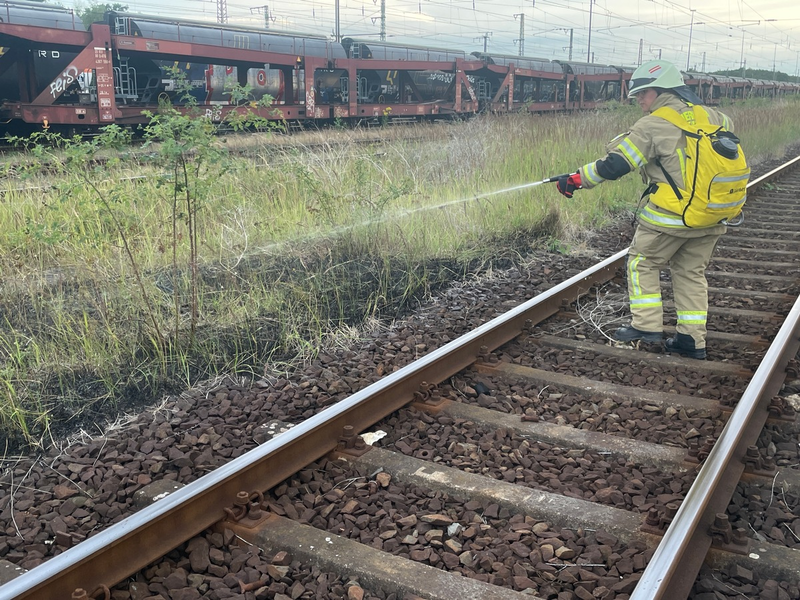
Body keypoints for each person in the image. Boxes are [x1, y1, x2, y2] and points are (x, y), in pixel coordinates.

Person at [555, 59, 745, 360]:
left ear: (663, 91)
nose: (639, 100)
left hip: (671, 215)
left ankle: (646, 327)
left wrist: (577, 179)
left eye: (644, 93)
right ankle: (691, 341)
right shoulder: (717, 117)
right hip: (711, 213)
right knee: (691, 272)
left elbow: (617, 164)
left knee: (641, 262)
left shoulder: (653, 124)